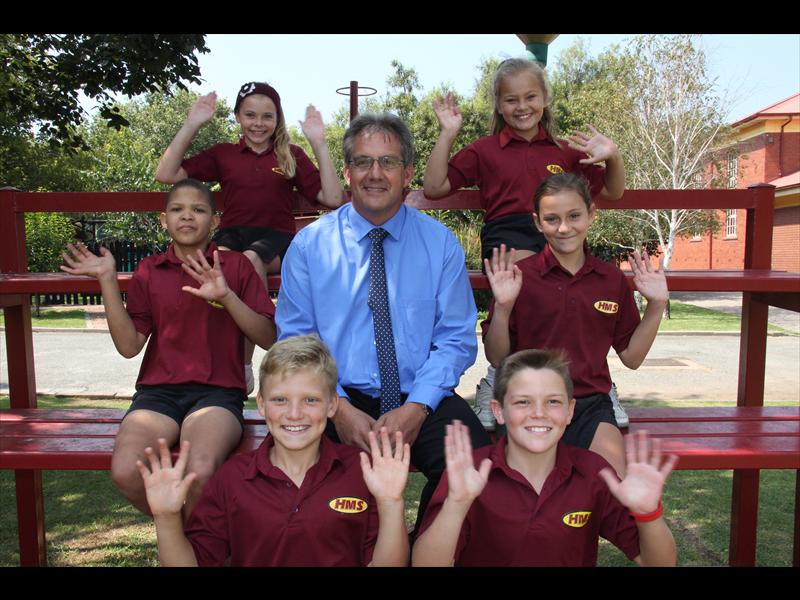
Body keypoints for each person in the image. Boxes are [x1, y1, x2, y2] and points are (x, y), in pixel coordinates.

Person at [276, 112, 491, 530]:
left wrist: (416, 407)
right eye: (363, 162)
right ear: (347, 172)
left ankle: (418, 551)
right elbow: (296, 342)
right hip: (333, 397)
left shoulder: (439, 244)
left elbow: (455, 340)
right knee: (297, 491)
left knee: (475, 470)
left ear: (407, 173)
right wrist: (338, 408)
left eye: (388, 162)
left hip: (420, 396)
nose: (375, 174)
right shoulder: (310, 246)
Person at [423, 58, 627, 430]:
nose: (522, 106)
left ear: (545, 99)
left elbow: (613, 190)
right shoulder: (485, 150)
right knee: (528, 278)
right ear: (499, 106)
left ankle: (596, 383)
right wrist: (447, 134)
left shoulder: (565, 151)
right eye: (511, 99)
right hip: (508, 233)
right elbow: (435, 187)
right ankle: (498, 378)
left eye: (530, 97)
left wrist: (613, 156)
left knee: (575, 284)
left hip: (556, 227)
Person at [61, 179, 276, 517]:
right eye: (177, 209)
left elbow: (268, 337)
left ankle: (190, 543)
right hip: (157, 395)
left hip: (217, 395)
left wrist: (226, 297)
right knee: (125, 471)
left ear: (215, 221)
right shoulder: (150, 270)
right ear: (164, 220)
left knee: (199, 471)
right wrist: (107, 280)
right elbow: (129, 346)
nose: (187, 216)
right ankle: (186, 537)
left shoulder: (235, 266)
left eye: (198, 210)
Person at [136, 335, 411, 567]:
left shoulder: (361, 472)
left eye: (310, 400)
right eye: (280, 400)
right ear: (262, 405)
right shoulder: (232, 478)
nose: (294, 413)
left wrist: (391, 503)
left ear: (332, 405)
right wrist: (167, 518)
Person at [155, 81, 344, 394]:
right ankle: (199, 362)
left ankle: (243, 363)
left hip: (276, 240)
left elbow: (334, 198)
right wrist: (192, 123)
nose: (258, 123)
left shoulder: (290, 155)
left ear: (277, 119)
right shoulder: (224, 154)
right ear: (238, 118)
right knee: (214, 266)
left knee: (248, 261)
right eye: (250, 115)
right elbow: (165, 174)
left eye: (267, 116)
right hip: (232, 236)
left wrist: (320, 143)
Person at [412, 349, 678, 567]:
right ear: (499, 411)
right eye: (523, 402)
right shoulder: (468, 473)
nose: (539, 413)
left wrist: (649, 514)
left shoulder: (593, 472)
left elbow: (659, 562)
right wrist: (456, 505)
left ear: (570, 411)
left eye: (553, 402)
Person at [482, 172, 669, 477]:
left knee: (614, 485)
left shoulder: (610, 279)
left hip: (589, 405)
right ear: (538, 222)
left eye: (574, 216)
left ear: (591, 214)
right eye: (552, 219)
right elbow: (496, 356)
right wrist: (503, 308)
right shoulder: (518, 277)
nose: (564, 227)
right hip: (530, 402)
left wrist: (656, 305)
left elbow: (632, 357)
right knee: (529, 490)